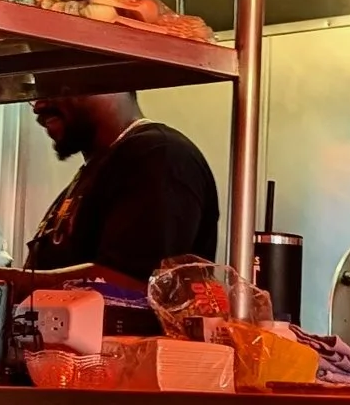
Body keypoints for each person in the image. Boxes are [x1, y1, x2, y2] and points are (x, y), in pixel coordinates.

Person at [25, 84, 219, 278]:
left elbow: (131, 290)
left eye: (53, 85)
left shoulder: (159, 154)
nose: (38, 106)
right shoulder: (98, 169)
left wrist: (9, 281)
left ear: (113, 80)